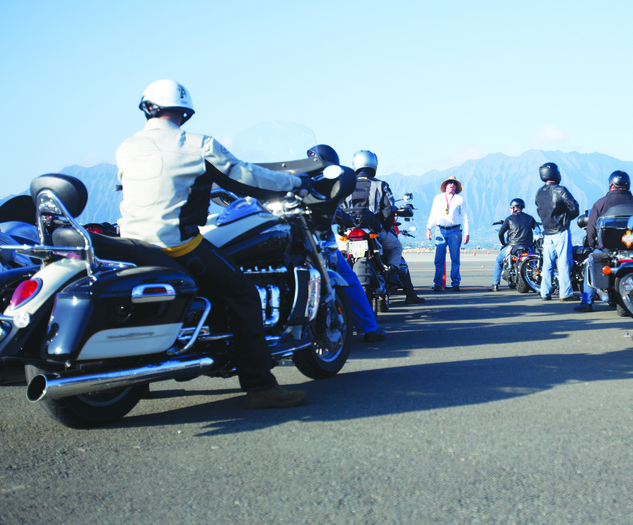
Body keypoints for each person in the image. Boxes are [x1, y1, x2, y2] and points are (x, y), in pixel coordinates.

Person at [117, 79, 307, 409]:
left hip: (131, 243)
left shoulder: (126, 147)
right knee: (243, 293)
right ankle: (261, 385)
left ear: (147, 108)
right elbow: (245, 176)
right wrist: (295, 181)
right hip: (176, 246)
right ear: (185, 112)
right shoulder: (197, 144)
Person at [304, 146, 388, 343]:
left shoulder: (298, 182)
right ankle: (369, 327)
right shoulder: (329, 184)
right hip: (319, 244)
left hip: (298, 243)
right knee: (350, 280)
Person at [341, 150, 425, 307]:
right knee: (395, 247)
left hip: (349, 233)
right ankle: (393, 273)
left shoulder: (346, 186)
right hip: (374, 231)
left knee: (336, 254)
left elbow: (337, 209)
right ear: (373, 164)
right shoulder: (380, 185)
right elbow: (389, 210)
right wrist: (384, 226)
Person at [575, 170, 633, 312]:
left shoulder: (601, 203)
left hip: (608, 249)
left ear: (611, 185)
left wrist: (592, 245)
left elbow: (590, 228)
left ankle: (586, 301)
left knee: (591, 262)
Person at [534, 162, 580, 301]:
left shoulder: (539, 192)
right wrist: (567, 218)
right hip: (561, 230)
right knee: (564, 263)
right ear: (555, 173)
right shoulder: (560, 190)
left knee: (547, 264)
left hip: (547, 232)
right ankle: (565, 293)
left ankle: (545, 292)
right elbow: (574, 208)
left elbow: (538, 211)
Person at [426, 176, 469, 291]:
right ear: (445, 185)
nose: (452, 185)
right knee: (439, 259)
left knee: (455, 258)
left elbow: (464, 217)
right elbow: (433, 214)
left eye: (454, 183)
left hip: (455, 230)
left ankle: (456, 282)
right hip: (440, 230)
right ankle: (438, 283)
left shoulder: (460, 199)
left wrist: (466, 232)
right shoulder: (438, 198)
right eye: (450, 183)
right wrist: (428, 228)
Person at [489, 198, 539, 291]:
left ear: (514, 208)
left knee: (498, 261)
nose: (510, 209)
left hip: (513, 246)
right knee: (534, 262)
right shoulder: (530, 218)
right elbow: (538, 231)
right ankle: (535, 282)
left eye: (510, 207)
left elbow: (500, 233)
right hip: (528, 246)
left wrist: (503, 244)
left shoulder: (509, 219)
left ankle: (495, 284)